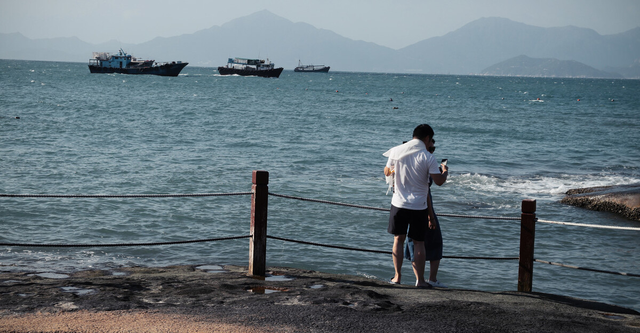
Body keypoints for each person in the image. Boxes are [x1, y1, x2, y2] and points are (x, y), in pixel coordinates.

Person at [383, 124, 447, 288]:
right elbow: (438, 181)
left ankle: (397, 277)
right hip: (419, 206)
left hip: (398, 203)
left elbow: (386, 171)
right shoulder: (428, 157)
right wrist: (445, 172)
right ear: (427, 138)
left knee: (398, 239)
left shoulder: (396, 151)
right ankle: (420, 280)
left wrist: (393, 172)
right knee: (419, 243)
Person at [405, 138, 448, 288]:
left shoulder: (409, 163)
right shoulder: (426, 164)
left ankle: (419, 278)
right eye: (432, 148)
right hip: (423, 207)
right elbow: (430, 191)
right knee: (435, 242)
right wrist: (445, 172)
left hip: (407, 206)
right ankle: (431, 279)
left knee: (413, 243)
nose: (432, 151)